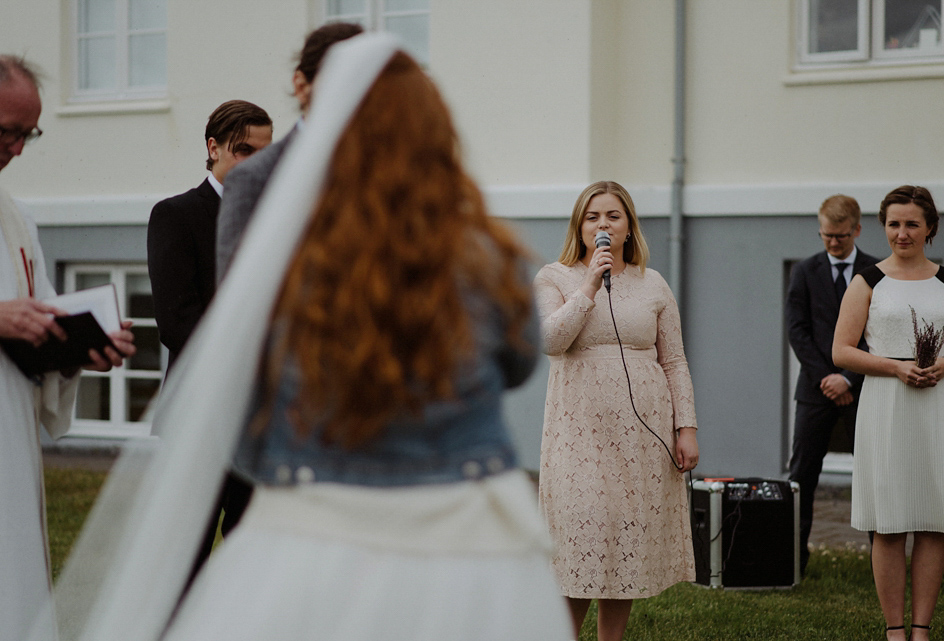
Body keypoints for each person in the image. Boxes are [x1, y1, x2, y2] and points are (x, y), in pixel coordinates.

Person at [45, 35, 570, 641]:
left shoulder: (288, 268)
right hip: (467, 539)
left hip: (318, 529)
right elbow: (521, 364)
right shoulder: (488, 252)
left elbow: (245, 408)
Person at [0, 54, 134, 641]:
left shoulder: (15, 219)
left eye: (28, 134)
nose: (18, 149)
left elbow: (42, 312)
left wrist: (81, 345)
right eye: (8, 130)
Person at [535, 180, 699, 641]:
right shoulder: (554, 277)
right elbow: (550, 341)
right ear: (579, 227)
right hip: (578, 434)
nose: (602, 224)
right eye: (592, 217)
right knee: (580, 544)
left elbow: (675, 360)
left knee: (623, 542)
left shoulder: (653, 283)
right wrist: (588, 284)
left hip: (640, 436)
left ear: (628, 227)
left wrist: (686, 427)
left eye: (612, 216)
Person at [147, 99, 272, 583]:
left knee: (253, 557)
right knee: (185, 559)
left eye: (264, 153)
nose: (254, 164)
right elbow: (176, 322)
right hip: (200, 417)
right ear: (213, 147)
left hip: (263, 421)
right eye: (243, 150)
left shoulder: (279, 221)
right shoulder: (176, 216)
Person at [833, 185, 944, 641]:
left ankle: (922, 628)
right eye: (893, 223)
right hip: (887, 406)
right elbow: (841, 350)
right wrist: (895, 367)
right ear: (883, 226)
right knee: (889, 522)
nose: (902, 233)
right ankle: (893, 629)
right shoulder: (867, 280)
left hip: (939, 406)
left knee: (931, 519)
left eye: (911, 224)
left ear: (930, 228)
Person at [216, 21, 362, 282]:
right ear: (301, 85)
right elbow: (240, 293)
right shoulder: (254, 178)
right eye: (339, 81)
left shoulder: (392, 167)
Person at [785, 194, 879, 575]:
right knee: (801, 475)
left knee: (874, 474)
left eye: (840, 236)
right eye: (826, 236)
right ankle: (792, 562)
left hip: (864, 389)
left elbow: (879, 333)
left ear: (856, 229)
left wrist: (848, 377)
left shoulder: (876, 271)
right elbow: (797, 330)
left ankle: (881, 562)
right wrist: (826, 376)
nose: (833, 243)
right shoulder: (805, 271)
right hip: (815, 388)